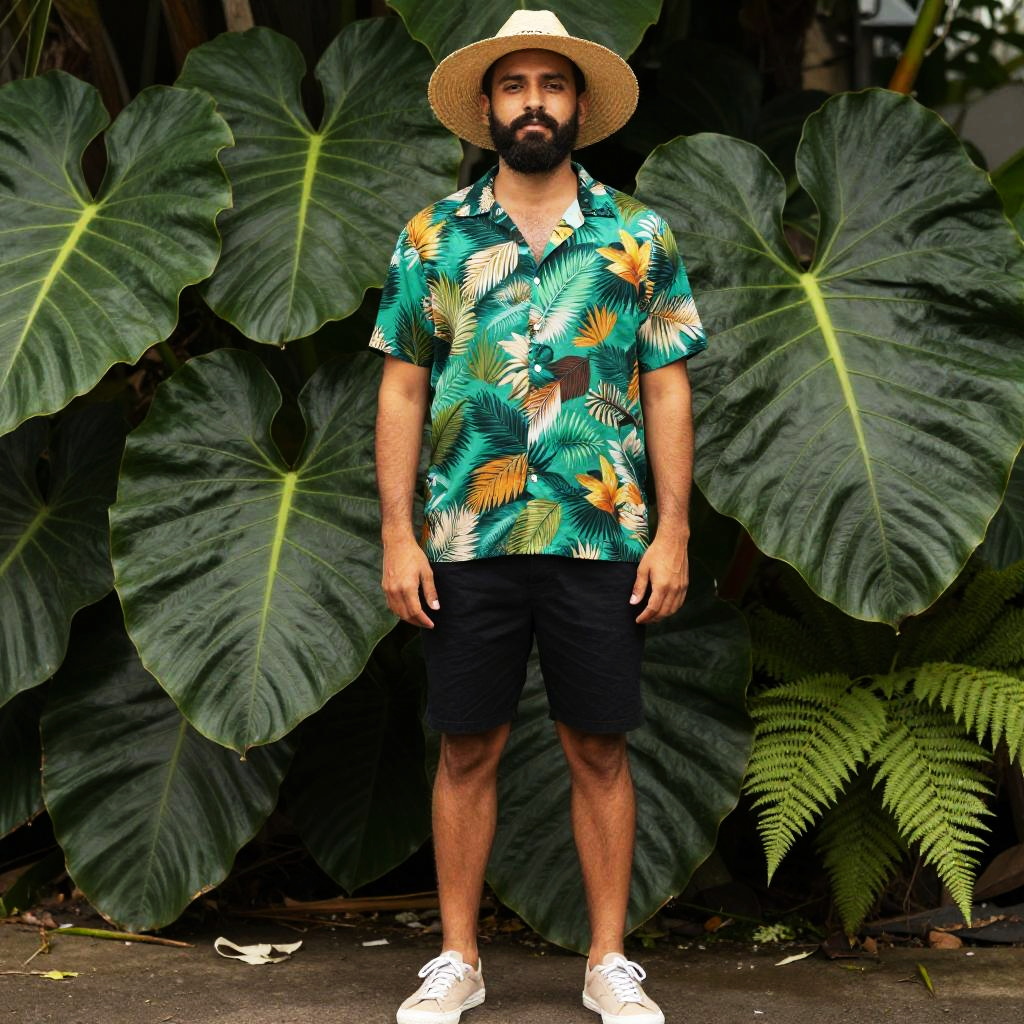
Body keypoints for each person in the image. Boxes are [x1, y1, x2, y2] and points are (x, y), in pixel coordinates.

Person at [369, 10, 706, 1024]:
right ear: (487, 107)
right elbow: (399, 388)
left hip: (598, 531)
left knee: (597, 744)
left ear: (576, 106)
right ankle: (457, 958)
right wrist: (396, 533)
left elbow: (667, 387)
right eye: (512, 86)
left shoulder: (635, 235)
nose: (531, 103)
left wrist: (676, 530)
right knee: (465, 744)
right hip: (467, 534)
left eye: (549, 86)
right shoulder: (433, 236)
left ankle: (608, 959)